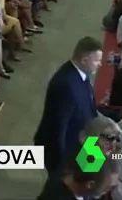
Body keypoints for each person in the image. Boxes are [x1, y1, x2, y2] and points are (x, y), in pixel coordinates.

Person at [34, 36, 102, 176]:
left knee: (94, 176)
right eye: (96, 60)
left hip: (85, 141)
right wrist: (63, 165)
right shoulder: (66, 85)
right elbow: (59, 127)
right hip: (69, 150)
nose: (100, 64)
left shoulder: (81, 74)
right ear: (84, 60)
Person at [37, 156, 120, 200]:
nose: (110, 191)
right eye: (108, 187)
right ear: (90, 184)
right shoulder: (56, 195)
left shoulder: (65, 175)